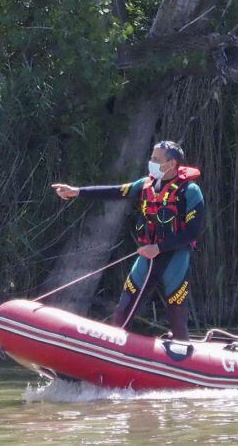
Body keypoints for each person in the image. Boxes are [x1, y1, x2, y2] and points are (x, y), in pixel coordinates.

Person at [51, 140, 205, 341]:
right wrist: (77, 191)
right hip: (147, 257)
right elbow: (115, 191)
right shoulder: (145, 185)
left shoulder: (190, 192)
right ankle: (113, 352)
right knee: (123, 310)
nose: (150, 162)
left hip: (174, 258)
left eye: (155, 159)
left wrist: (158, 248)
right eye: (151, 157)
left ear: (172, 163)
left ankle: (184, 356)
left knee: (177, 317)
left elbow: (193, 232)